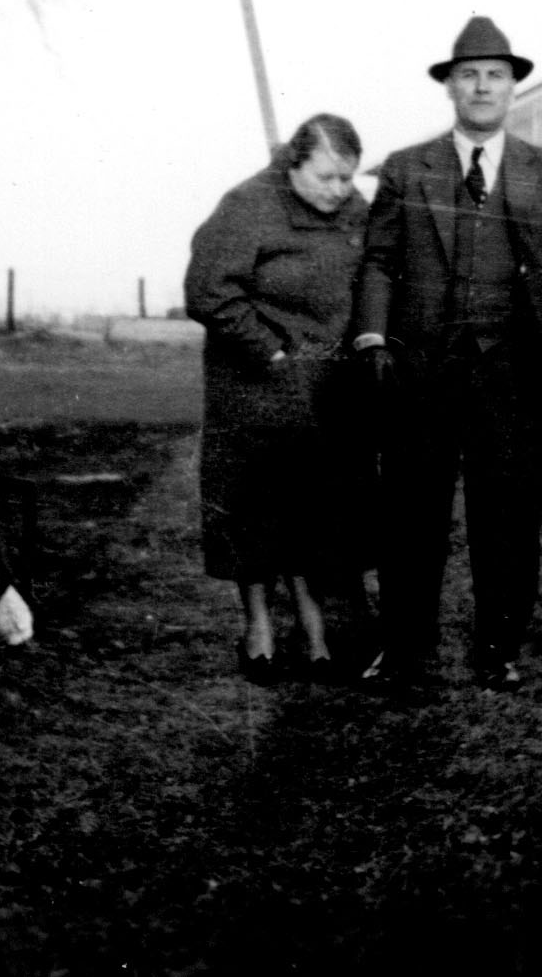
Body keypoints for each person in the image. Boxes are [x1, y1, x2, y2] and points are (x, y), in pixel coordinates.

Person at [352, 16, 542, 692]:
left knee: (509, 519)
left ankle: (498, 650)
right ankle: (405, 649)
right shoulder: (407, 168)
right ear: (450, 87)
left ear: (513, 87)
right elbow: (378, 261)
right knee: (410, 517)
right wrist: (372, 337)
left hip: (513, 376)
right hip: (421, 372)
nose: (482, 87)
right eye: (469, 75)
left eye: (495, 75)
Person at [184, 114, 372, 684]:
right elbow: (208, 291)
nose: (339, 190)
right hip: (256, 387)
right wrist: (269, 350)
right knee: (255, 512)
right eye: (326, 177)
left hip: (330, 388)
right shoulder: (248, 205)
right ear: (294, 164)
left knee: (316, 511)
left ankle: (316, 632)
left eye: (348, 177)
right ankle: (259, 630)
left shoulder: (355, 211)